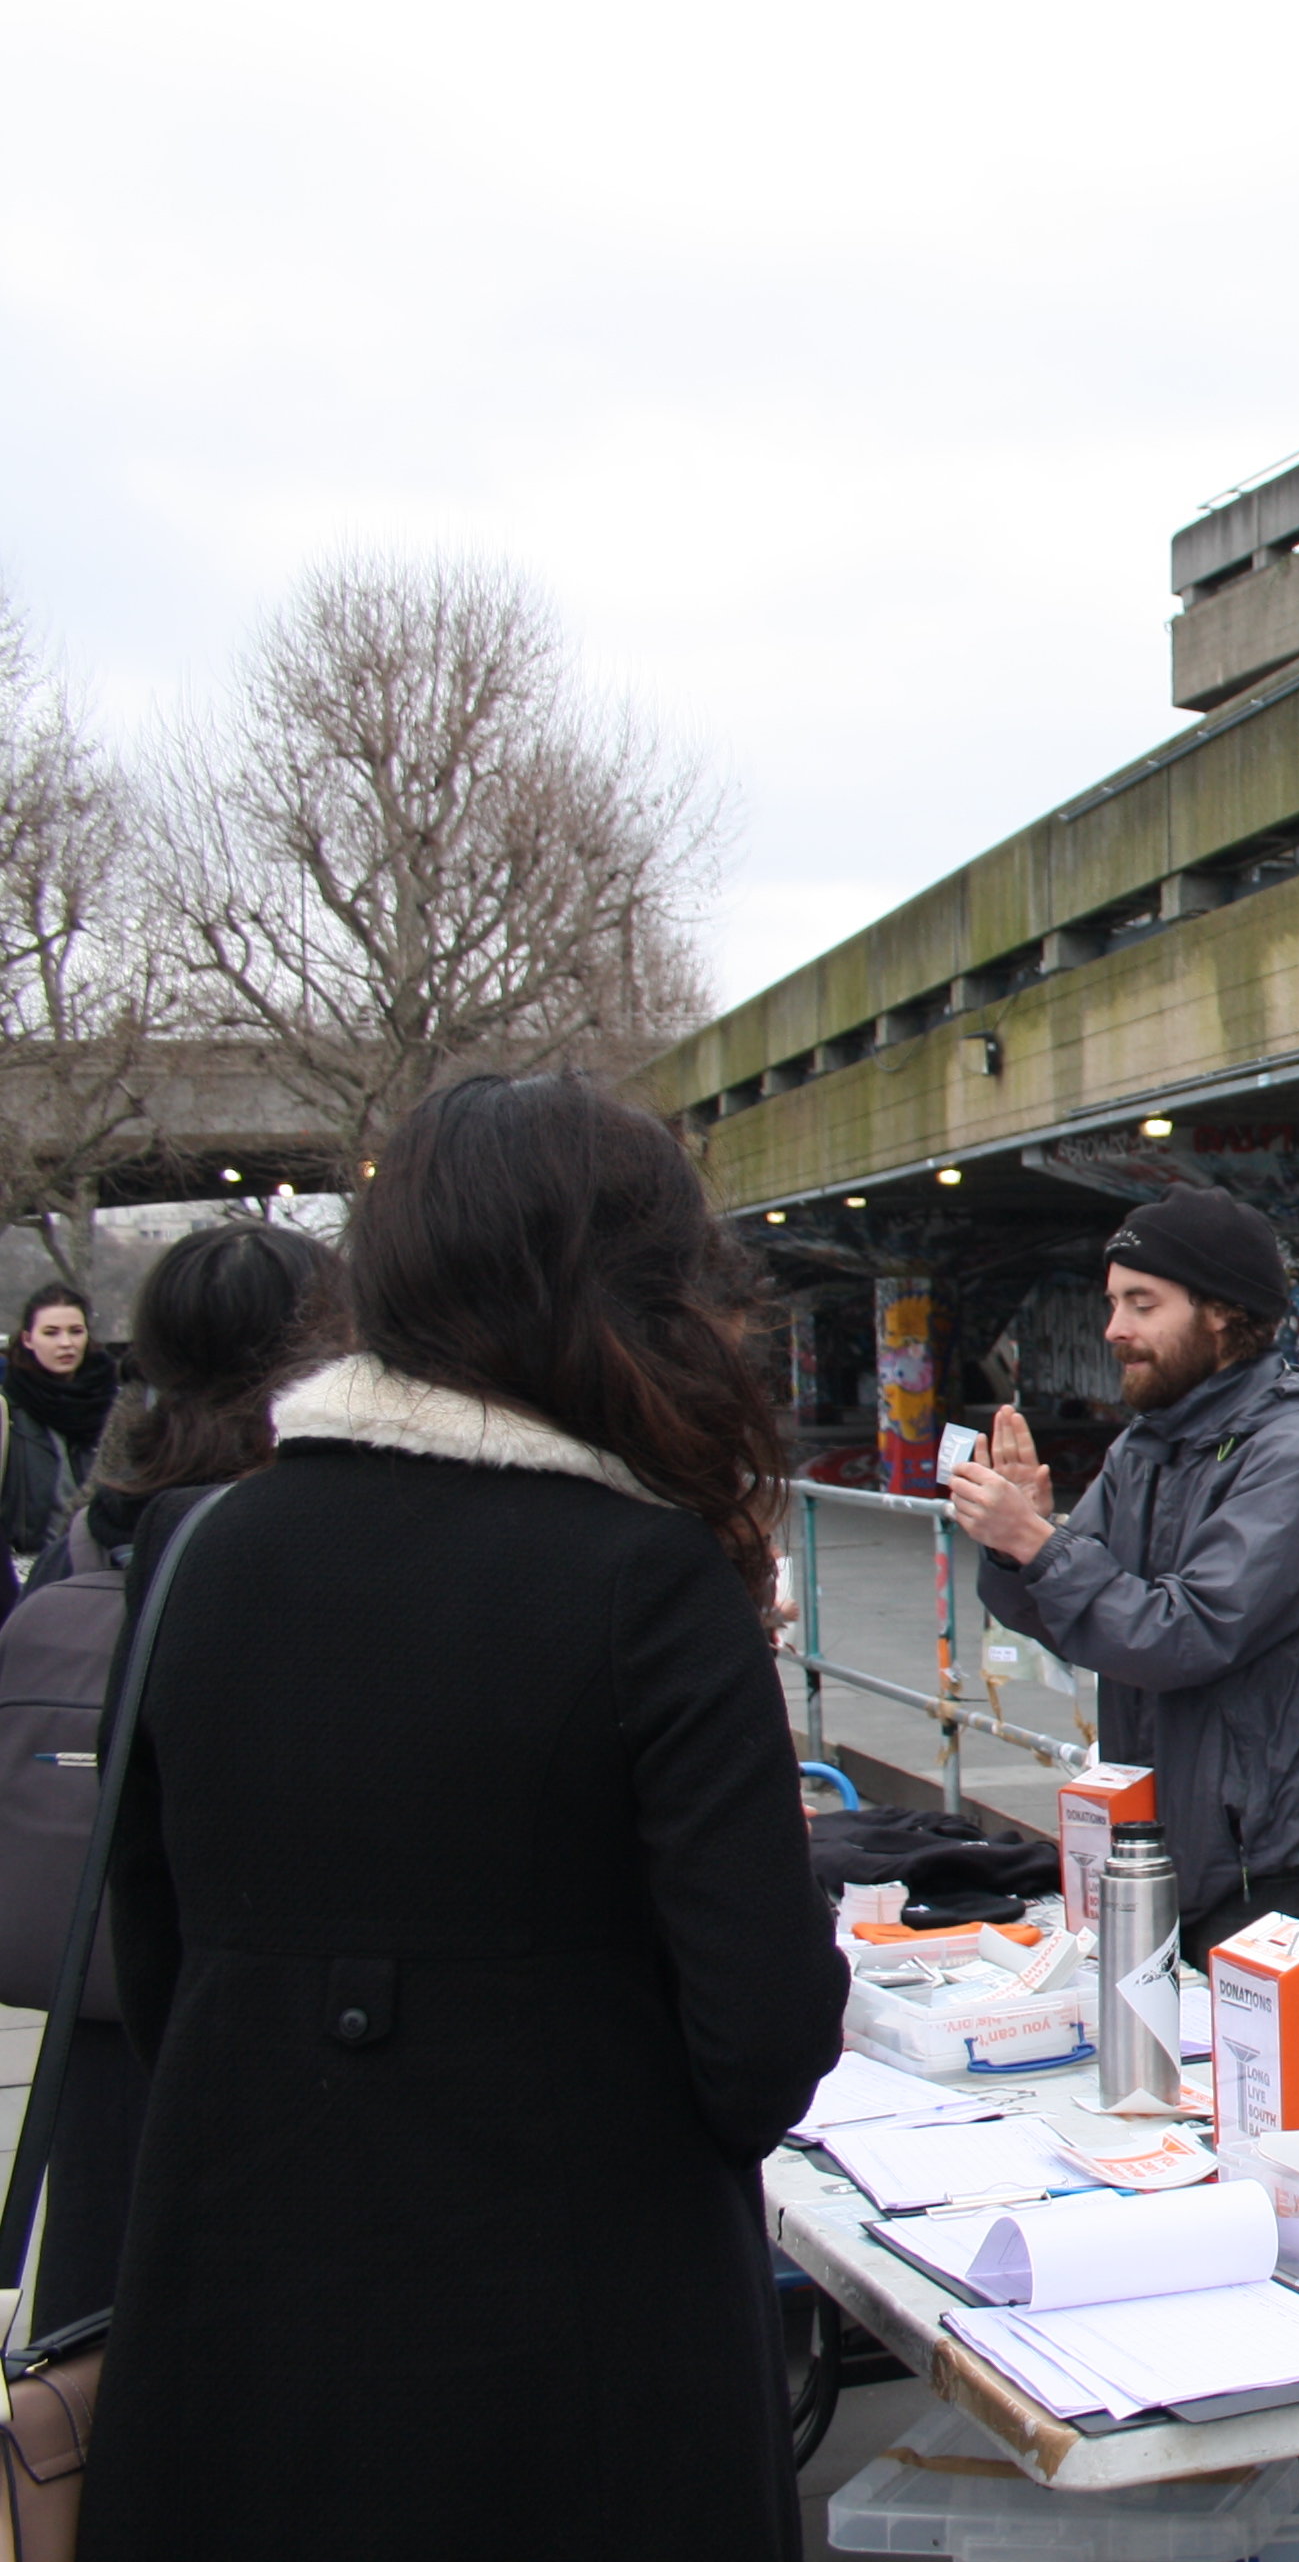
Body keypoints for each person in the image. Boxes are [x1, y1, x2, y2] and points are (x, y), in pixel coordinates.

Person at [81, 1075, 846, 2561]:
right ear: (637, 1294)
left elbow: (158, 1953)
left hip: (240, 2317)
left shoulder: (201, 1549)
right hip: (577, 2367)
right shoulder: (649, 1578)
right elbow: (759, 2046)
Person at [956, 1184, 1299, 2057]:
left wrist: (1042, 1546)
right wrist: (1017, 1549)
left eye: (1142, 1303)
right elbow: (1073, 1614)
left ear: (1225, 1315)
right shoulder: (1145, 1447)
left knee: (1291, 2114)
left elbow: (1181, 1633)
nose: (1114, 1327)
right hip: (1180, 1843)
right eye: (1113, 1301)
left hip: (1280, 1859)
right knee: (1184, 2095)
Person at [4, 1219, 339, 2338]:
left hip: (105, 2022)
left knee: (107, 2360)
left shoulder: (103, 1527)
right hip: (268, 2024)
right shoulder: (304, 1537)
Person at [4, 1279, 117, 1564]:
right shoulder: (9, 1408)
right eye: (51, 1333)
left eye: (75, 1331)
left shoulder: (117, 1402)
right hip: (27, 1563)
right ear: (28, 1339)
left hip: (102, 1561)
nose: (65, 1343)